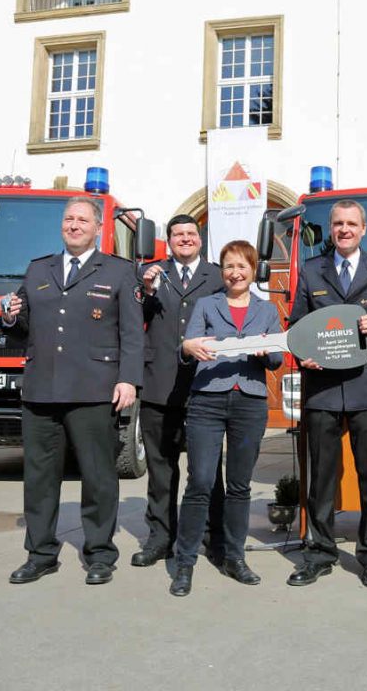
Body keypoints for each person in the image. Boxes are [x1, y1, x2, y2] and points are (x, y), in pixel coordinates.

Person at [3, 196, 143, 585]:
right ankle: (41, 553)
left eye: (82, 220)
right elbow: (20, 327)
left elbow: (132, 333)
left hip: (94, 390)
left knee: (98, 476)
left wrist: (128, 378)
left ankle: (100, 554)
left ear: (98, 228)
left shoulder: (117, 271)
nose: (75, 225)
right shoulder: (38, 269)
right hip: (41, 390)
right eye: (69, 219)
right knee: (39, 478)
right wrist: (10, 316)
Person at [286, 199, 367, 589]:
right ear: (332, 228)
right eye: (338, 223)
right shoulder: (311, 270)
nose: (343, 229)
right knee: (321, 478)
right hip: (322, 389)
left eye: (351, 224)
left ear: (363, 228)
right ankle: (319, 554)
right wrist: (303, 356)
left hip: (364, 386)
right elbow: (296, 328)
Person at [168, 241, 283, 596]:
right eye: (229, 266)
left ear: (253, 271)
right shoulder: (207, 304)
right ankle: (184, 562)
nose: (235, 273)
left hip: (249, 402)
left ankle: (234, 557)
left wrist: (267, 353)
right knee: (200, 481)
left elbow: (277, 360)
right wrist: (187, 348)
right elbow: (188, 346)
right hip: (207, 400)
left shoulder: (267, 310)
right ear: (222, 271)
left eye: (242, 267)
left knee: (239, 485)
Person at [131, 215, 225, 568]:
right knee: (160, 468)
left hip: (206, 384)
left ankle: (214, 537)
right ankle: (160, 538)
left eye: (190, 234)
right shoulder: (150, 276)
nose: (184, 239)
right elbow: (131, 315)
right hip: (160, 384)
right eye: (177, 235)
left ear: (200, 239)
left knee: (208, 470)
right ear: (168, 241)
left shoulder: (217, 276)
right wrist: (148, 290)